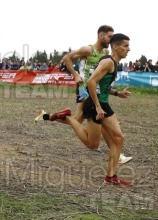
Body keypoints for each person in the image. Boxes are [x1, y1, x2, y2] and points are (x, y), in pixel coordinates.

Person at [44, 34, 133, 185]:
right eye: (126, 46)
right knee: (93, 145)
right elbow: (91, 82)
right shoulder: (108, 62)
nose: (128, 49)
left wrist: (117, 93)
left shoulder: (112, 62)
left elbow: (101, 85)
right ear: (116, 47)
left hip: (103, 105)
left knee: (118, 139)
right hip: (95, 105)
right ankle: (67, 118)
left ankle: (110, 177)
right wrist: (97, 106)